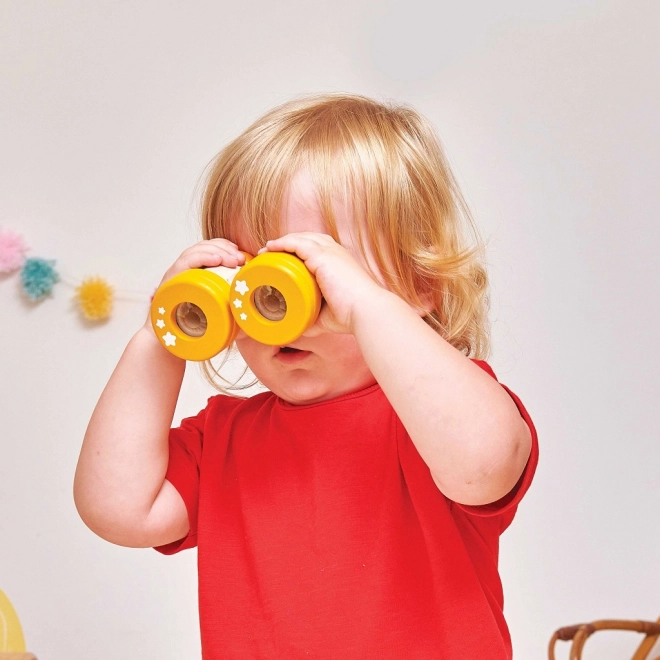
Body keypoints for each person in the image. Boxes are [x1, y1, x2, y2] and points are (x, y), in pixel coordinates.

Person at [74, 93, 538, 659]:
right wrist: (164, 330)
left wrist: (365, 308)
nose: (279, 311)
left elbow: (484, 466)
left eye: (314, 277)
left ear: (421, 285)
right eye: (250, 279)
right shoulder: (222, 439)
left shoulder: (440, 419)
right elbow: (118, 510)